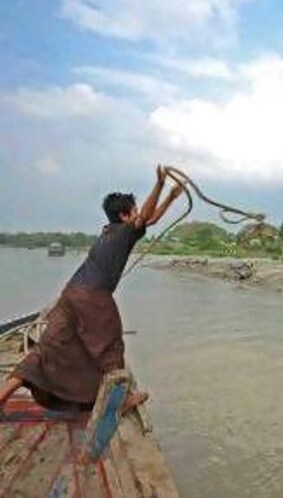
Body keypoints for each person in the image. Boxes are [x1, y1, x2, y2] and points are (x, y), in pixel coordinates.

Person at [0, 165, 183, 413]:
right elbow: (147, 218)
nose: (139, 215)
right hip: (93, 297)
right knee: (111, 348)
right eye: (135, 211)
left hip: (70, 294)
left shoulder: (108, 231)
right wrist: (160, 185)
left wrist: (171, 197)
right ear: (125, 216)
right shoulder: (125, 232)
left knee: (47, 349)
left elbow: (151, 218)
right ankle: (120, 401)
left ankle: (3, 394)